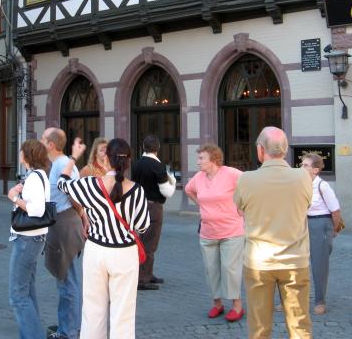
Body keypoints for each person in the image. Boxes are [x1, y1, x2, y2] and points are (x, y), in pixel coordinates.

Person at [58, 137, 150, 338]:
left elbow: (62, 183)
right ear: (128, 161)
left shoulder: (90, 184)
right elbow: (142, 226)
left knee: (92, 310)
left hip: (96, 251)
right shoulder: (137, 190)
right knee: (123, 313)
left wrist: (73, 157)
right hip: (125, 253)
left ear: (106, 159)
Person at [233, 126, 313, 339]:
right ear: (285, 150)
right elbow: (307, 205)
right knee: (300, 326)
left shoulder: (245, 179)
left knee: (259, 328)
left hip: (259, 260)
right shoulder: (303, 177)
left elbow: (239, 209)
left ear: (260, 150)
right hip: (295, 261)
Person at [184, 143, 244, 322]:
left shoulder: (231, 173)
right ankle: (217, 304)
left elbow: (250, 186)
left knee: (230, 269)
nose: (198, 162)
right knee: (211, 270)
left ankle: (237, 306)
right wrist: (201, 205)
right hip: (208, 232)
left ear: (214, 159)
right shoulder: (199, 177)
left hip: (231, 231)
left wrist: (242, 207)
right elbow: (188, 189)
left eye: (201, 158)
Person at [41, 128, 86, 339]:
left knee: (67, 282)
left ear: (51, 144)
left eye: (42, 139)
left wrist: (83, 215)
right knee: (68, 280)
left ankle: (68, 331)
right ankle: (68, 326)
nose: (40, 142)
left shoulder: (62, 164)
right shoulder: (58, 164)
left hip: (64, 225)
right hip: (62, 223)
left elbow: (74, 194)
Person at [7, 139, 51, 339]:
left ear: (27, 155)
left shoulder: (34, 177)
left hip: (26, 240)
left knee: (17, 296)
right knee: (28, 290)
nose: (19, 154)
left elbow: (37, 209)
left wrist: (14, 198)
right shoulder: (38, 175)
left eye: (21, 151)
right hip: (34, 239)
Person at [131, 135, 175, 290]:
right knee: (150, 242)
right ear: (158, 149)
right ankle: (143, 278)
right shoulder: (158, 166)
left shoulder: (136, 164)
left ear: (143, 147)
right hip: (153, 207)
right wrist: (173, 183)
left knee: (142, 239)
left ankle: (147, 273)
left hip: (138, 206)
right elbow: (167, 192)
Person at [302, 153, 342, 315]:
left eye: (305, 165)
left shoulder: (322, 186)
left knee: (319, 265)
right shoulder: (300, 184)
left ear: (315, 170)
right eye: (302, 164)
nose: (301, 167)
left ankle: (320, 301)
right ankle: (291, 300)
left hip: (321, 223)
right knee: (296, 264)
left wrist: (334, 229)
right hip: (303, 224)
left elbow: (335, 210)